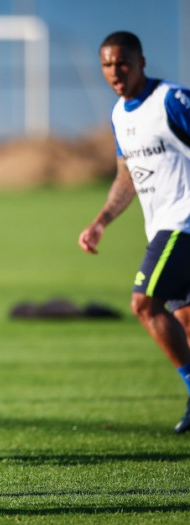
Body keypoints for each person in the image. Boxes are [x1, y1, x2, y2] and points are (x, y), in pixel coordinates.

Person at [78, 31, 190, 434]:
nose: (115, 72)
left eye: (122, 62)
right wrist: (101, 221)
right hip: (161, 225)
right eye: (107, 64)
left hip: (183, 223)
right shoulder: (119, 114)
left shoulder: (173, 101)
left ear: (142, 61)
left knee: (144, 303)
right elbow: (127, 175)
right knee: (185, 320)